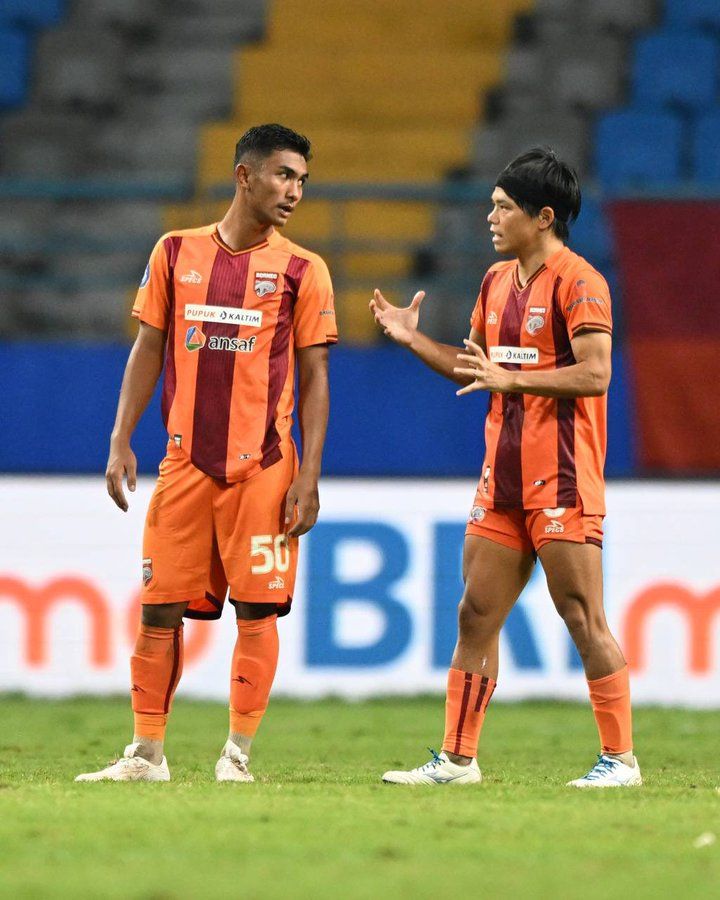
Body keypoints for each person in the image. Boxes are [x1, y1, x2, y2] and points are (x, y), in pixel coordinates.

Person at [371, 147, 641, 788]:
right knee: (474, 615)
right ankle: (458, 759)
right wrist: (415, 341)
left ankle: (620, 759)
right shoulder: (496, 282)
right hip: (504, 478)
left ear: (542, 216)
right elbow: (478, 371)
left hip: (564, 477)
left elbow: (597, 374)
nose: (490, 218)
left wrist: (512, 377)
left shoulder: (582, 283)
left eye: (502, 207)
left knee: (581, 616)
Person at [76, 124, 337, 783]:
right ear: (244, 176)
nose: (294, 191)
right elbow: (148, 349)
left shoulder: (304, 269)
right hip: (184, 463)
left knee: (257, 608)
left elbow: (314, 377)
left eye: (302, 180)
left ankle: (237, 757)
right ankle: (147, 755)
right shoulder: (173, 253)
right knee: (158, 607)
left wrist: (308, 474)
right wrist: (119, 438)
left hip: (265, 466)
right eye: (283, 175)